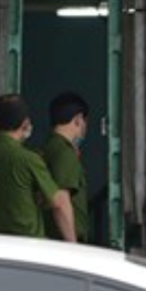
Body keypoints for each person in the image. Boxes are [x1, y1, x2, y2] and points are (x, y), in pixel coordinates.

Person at [0, 94, 76, 242]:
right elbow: (59, 203)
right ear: (25, 123)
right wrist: (73, 245)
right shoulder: (28, 159)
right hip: (28, 244)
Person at [42, 92, 90, 243]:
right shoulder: (65, 152)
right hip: (65, 241)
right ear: (78, 119)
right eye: (85, 121)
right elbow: (61, 201)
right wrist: (72, 244)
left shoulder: (48, 147)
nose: (85, 127)